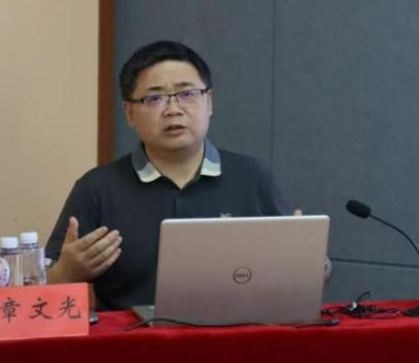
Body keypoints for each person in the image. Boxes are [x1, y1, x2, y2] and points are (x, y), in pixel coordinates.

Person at [45, 40, 292, 310]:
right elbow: (41, 295)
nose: (173, 109)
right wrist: (65, 274)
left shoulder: (253, 178)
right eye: (155, 98)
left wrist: (306, 260)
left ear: (209, 102)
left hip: (235, 333)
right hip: (130, 336)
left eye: (187, 94)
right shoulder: (97, 188)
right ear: (130, 113)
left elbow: (295, 279)